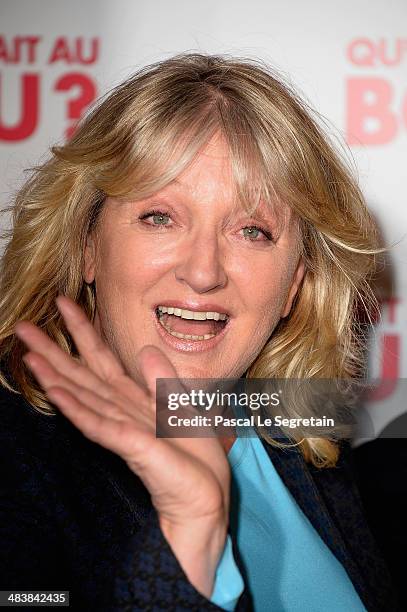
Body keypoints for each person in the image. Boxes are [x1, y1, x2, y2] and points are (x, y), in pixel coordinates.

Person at [0, 53, 399, 611]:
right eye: (159, 217)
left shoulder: (296, 425)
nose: (204, 271)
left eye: (253, 231)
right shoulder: (15, 457)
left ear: (293, 285)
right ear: (88, 247)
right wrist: (190, 532)